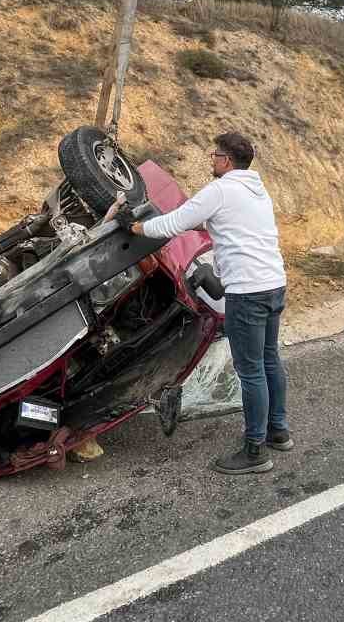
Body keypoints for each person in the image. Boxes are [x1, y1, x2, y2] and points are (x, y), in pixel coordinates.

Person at [111, 131, 290, 476]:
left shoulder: (221, 190)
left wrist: (134, 227)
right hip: (273, 284)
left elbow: (177, 222)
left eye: (214, 155)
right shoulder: (258, 190)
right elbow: (236, 234)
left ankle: (255, 450)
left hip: (248, 292)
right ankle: (278, 431)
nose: (211, 160)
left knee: (250, 370)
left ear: (225, 160)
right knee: (269, 359)